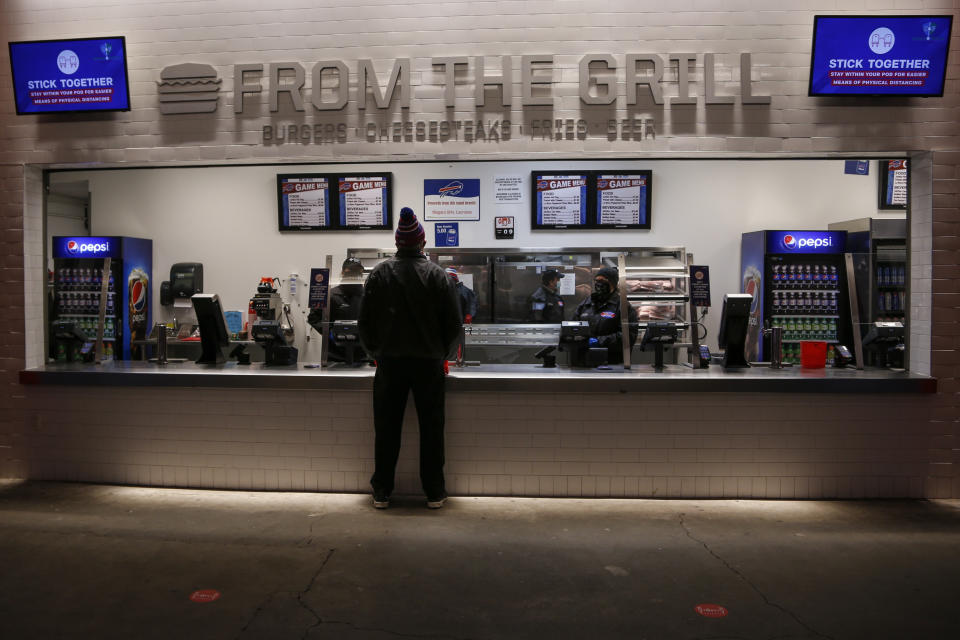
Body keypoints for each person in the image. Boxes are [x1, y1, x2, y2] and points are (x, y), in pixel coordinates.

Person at [358, 207, 463, 510]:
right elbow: (454, 325)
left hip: (389, 364)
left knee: (387, 429)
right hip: (428, 364)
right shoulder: (438, 276)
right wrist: (440, 354)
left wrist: (375, 353)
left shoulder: (379, 274)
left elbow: (364, 323)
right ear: (422, 242)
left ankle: (381, 491)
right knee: (432, 429)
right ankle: (434, 492)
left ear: (398, 243)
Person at [571, 266, 638, 366]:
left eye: (603, 280)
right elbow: (573, 326)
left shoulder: (623, 306)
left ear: (613, 283)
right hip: (584, 362)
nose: (598, 283)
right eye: (596, 280)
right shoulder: (586, 303)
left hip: (611, 364)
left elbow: (628, 336)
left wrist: (599, 341)